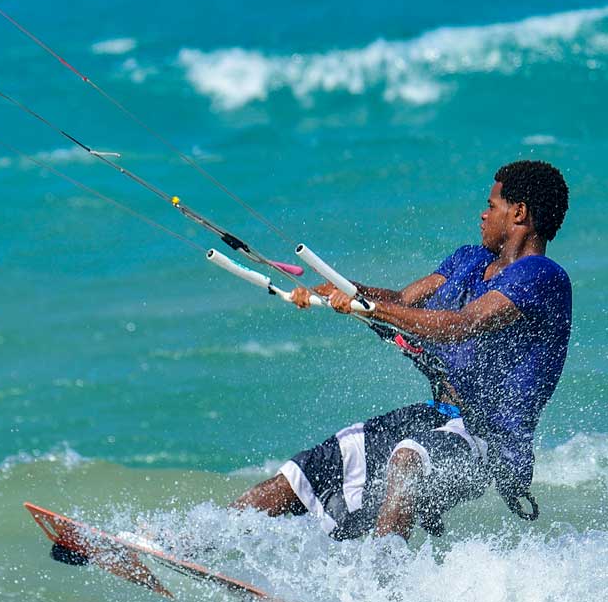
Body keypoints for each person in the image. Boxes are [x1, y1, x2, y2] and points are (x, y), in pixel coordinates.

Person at [231, 160, 572, 540]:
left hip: (490, 441)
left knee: (407, 458)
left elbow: (460, 326)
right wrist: (339, 292)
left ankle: (382, 587)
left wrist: (374, 308)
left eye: (492, 206)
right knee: (312, 469)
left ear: (519, 213)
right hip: (436, 417)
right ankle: (189, 541)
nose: (483, 213)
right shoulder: (469, 260)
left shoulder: (542, 277)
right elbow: (403, 300)